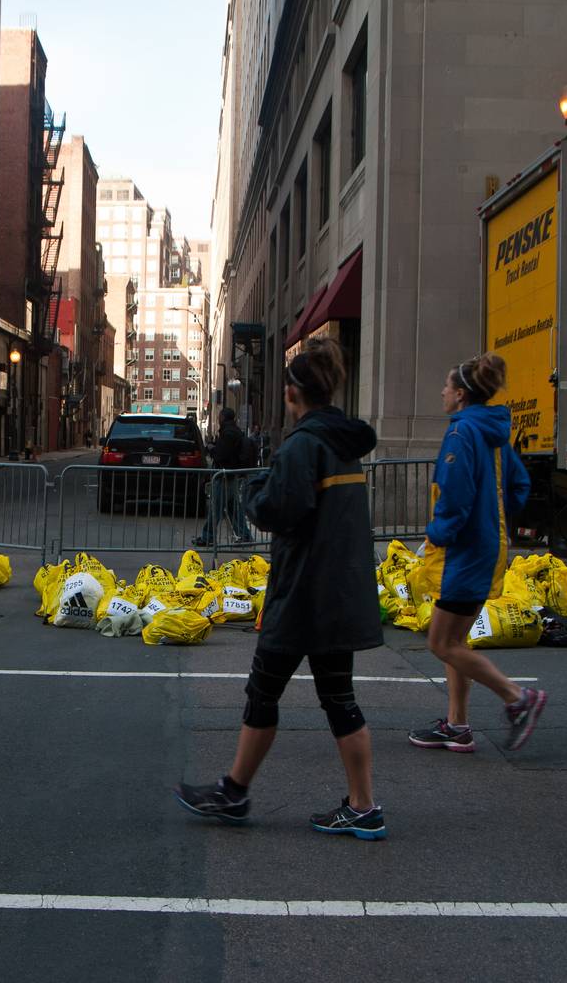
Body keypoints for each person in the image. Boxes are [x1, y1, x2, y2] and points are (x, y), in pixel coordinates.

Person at [175, 337, 386, 840]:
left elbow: (278, 511)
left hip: (302, 595)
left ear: (294, 392)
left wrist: (253, 494)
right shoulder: (343, 443)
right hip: (338, 592)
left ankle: (234, 792)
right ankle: (363, 805)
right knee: (339, 698)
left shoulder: (304, 445)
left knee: (263, 692)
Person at [409, 352, 546, 755]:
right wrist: (493, 515)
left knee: (441, 643)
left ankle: (519, 698)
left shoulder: (461, 433)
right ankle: (458, 725)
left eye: (447, 387)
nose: (442, 392)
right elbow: (520, 486)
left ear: (462, 394)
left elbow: (454, 494)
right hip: (487, 545)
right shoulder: (495, 433)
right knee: (456, 640)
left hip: (462, 553)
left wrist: (438, 531)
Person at [193, 408, 253, 547]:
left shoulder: (228, 433)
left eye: (220, 416)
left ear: (223, 417)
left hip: (224, 474)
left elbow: (222, 454)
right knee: (233, 508)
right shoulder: (234, 431)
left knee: (217, 507)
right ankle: (245, 535)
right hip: (230, 474)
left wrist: (212, 449)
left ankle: (208, 536)